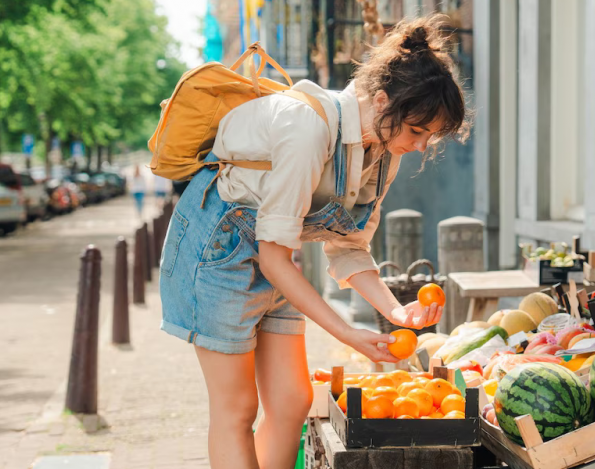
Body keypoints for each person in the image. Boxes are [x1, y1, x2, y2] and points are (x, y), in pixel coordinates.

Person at [158, 15, 467, 469]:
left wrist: (396, 311)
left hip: (275, 253)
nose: (421, 146)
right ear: (382, 102)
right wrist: (345, 333)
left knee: (292, 401)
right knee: (237, 408)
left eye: (430, 137)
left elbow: (348, 247)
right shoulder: (307, 129)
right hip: (217, 248)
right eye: (417, 131)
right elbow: (272, 257)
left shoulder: (382, 154)